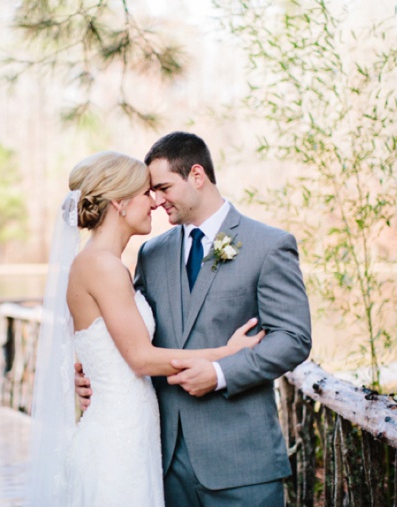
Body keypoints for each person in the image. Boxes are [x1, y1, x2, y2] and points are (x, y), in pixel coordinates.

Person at [76, 132, 312, 506]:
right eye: (150, 191)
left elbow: (293, 338)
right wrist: (90, 373)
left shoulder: (268, 245)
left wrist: (221, 373)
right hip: (164, 462)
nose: (155, 200)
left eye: (163, 187)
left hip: (241, 462)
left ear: (197, 176)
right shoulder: (152, 253)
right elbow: (127, 335)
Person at [26, 151, 266, 507]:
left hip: (131, 431)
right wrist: (224, 354)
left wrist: (86, 372)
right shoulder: (101, 266)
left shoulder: (109, 264)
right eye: (144, 193)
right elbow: (140, 358)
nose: (154, 202)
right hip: (117, 440)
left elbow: (106, 348)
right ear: (119, 203)